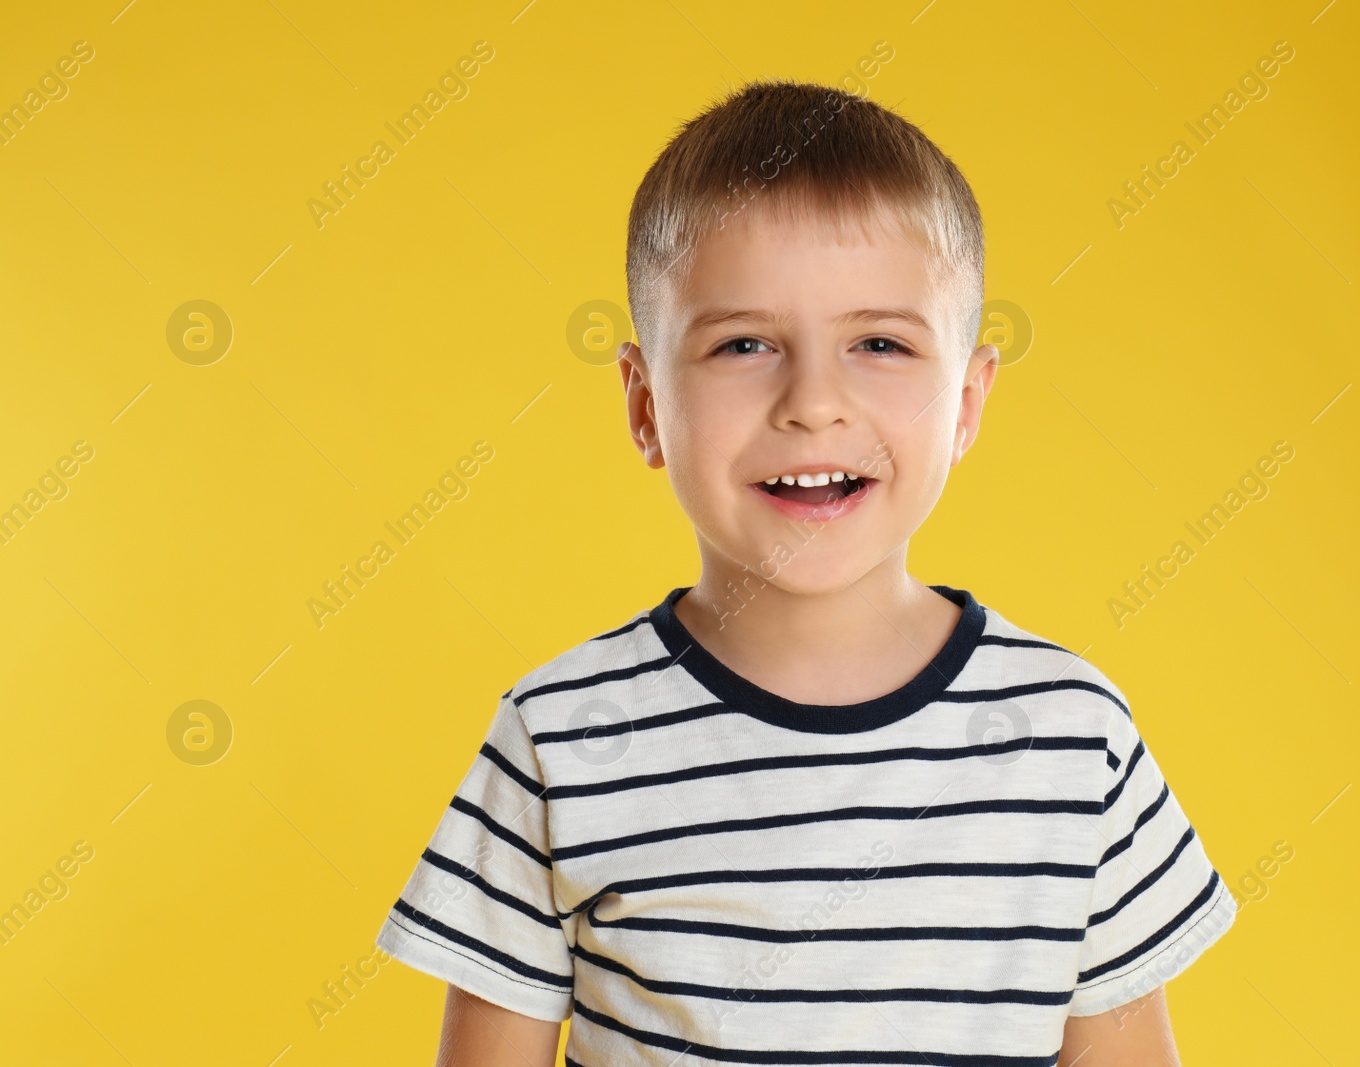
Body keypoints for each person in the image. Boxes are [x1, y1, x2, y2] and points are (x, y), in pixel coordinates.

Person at [375, 78, 1234, 1066]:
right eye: (744, 343)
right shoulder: (562, 736)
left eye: (880, 342)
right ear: (644, 401)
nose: (813, 401)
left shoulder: (1072, 738)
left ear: (965, 401)